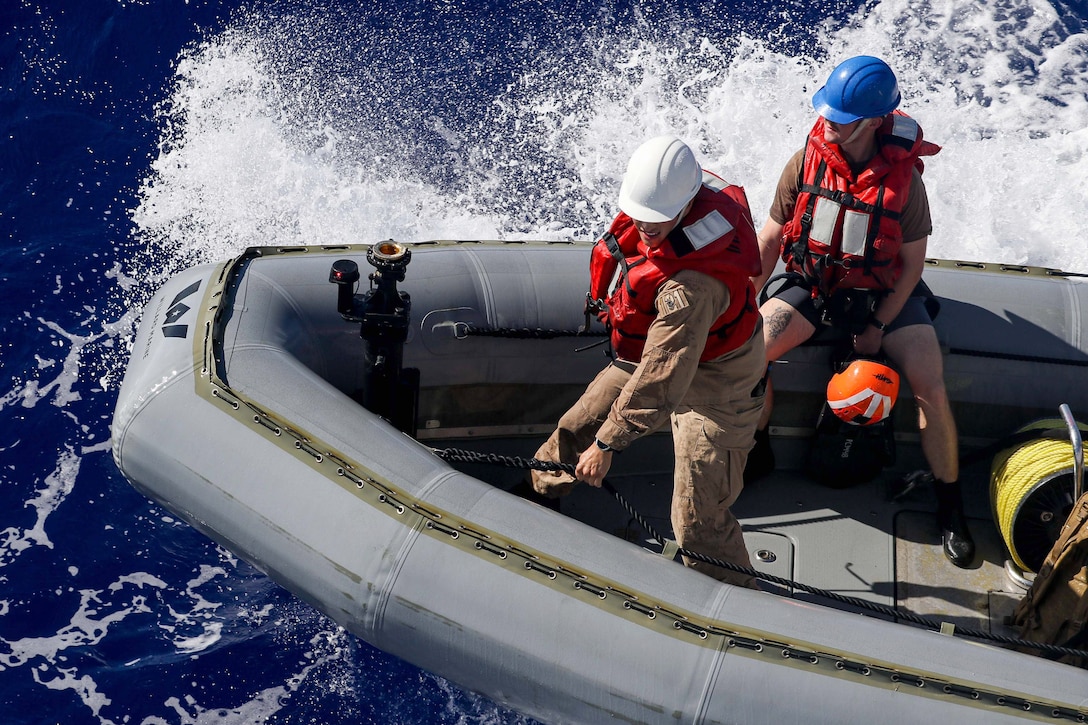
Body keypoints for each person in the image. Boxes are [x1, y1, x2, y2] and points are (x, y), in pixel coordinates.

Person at [749, 55, 976, 567]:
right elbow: (769, 236)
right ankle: (758, 452)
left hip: (882, 295)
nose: (829, 121)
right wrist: (746, 298)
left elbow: (912, 267)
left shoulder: (907, 184)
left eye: (842, 117)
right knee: (750, 352)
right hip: (816, 285)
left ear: (874, 122)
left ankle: (950, 505)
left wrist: (875, 327)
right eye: (826, 111)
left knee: (930, 386)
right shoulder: (804, 159)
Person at [531, 135, 767, 588]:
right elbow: (654, 362)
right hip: (652, 354)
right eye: (640, 217)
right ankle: (537, 496)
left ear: (685, 206)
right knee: (576, 425)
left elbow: (661, 379)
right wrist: (594, 437)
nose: (645, 226)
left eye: (656, 220)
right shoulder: (659, 210)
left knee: (696, 517)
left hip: (718, 386)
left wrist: (607, 447)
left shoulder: (690, 290)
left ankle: (732, 598)